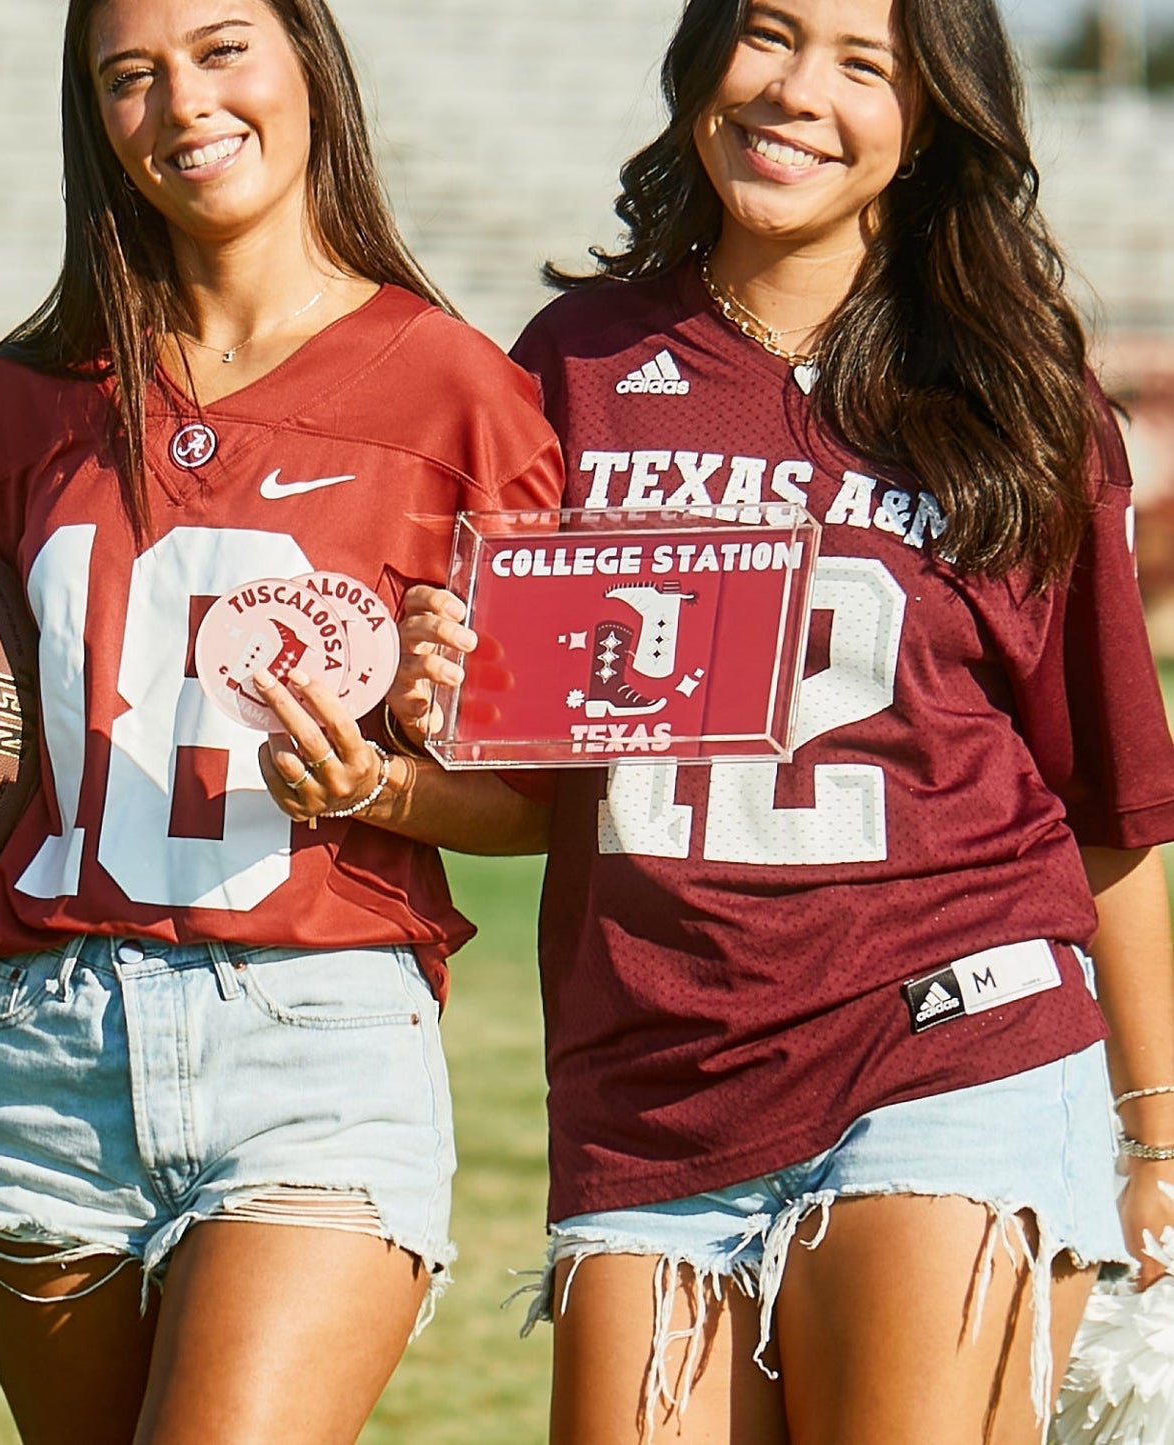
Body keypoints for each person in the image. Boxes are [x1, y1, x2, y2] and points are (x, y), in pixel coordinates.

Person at [0, 1, 560, 1440]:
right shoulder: (23, 400)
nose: (178, 103)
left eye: (218, 49)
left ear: (306, 65)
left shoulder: (460, 392)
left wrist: (379, 786)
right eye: (126, 76)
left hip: (314, 1035)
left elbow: (549, 803)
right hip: (43, 1046)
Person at [393, 0, 1174, 1440]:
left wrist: (1159, 1136)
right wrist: (432, 718)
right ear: (700, 59)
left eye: (863, 64)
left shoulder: (1008, 388)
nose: (796, 90)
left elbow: (1111, 802)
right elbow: (538, 770)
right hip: (653, 1078)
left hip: (955, 1034)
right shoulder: (570, 360)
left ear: (931, 114)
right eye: (766, 33)